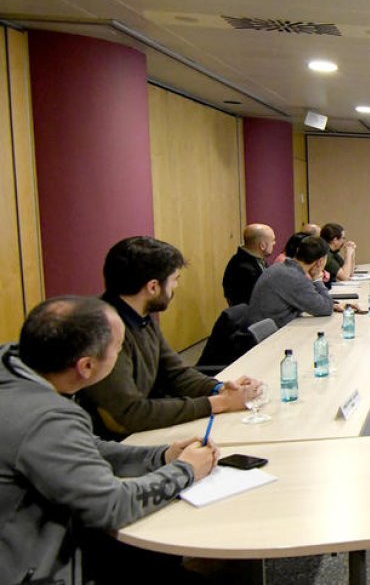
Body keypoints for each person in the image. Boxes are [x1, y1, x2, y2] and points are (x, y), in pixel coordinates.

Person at [0, 297, 219, 585]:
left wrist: (162, 456)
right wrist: (186, 470)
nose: (120, 353)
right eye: (118, 348)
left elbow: (84, 447)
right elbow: (112, 506)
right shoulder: (46, 417)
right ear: (86, 366)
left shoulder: (15, 370)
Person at [78, 236, 259, 439]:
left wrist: (220, 389)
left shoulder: (140, 315)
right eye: (174, 280)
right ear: (153, 287)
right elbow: (128, 415)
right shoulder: (104, 330)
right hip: (120, 444)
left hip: (148, 428)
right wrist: (220, 403)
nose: (176, 287)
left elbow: (176, 373)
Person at [247, 235, 339, 329]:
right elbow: (326, 309)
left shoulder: (282, 268)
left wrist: (329, 303)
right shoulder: (295, 277)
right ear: (320, 261)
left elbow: (313, 299)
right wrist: (317, 279)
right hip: (274, 334)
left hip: (267, 327)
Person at [221, 223, 276, 306]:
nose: (274, 243)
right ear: (262, 245)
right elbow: (260, 300)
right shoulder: (243, 269)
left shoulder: (255, 259)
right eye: (272, 240)